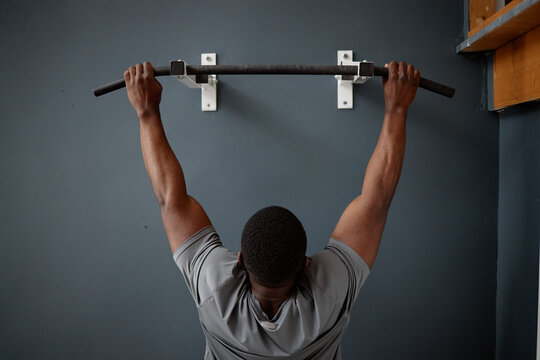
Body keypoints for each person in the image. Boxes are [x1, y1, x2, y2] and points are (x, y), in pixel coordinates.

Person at [124, 60, 420, 359]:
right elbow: (376, 201)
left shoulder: (214, 288)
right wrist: (397, 109)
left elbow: (171, 200)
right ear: (306, 265)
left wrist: (146, 112)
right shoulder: (331, 294)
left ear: (239, 260)